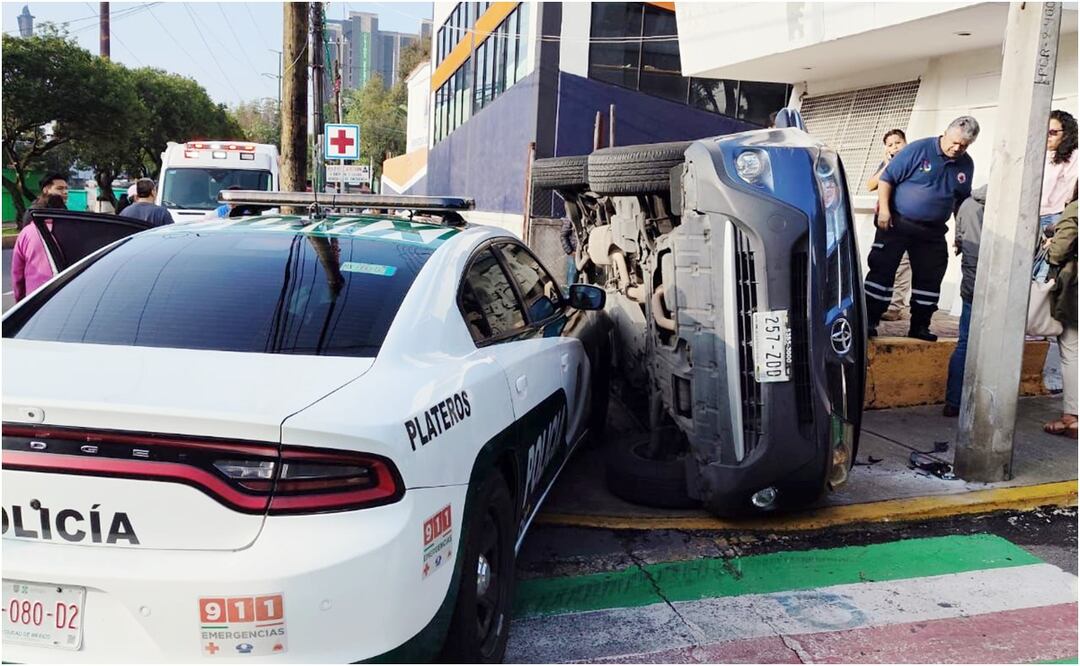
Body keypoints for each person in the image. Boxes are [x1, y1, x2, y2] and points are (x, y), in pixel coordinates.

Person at [864, 116, 979, 342]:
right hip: (897, 222)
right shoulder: (918, 149)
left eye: (964, 146)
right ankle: (869, 320)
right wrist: (884, 210)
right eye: (954, 142)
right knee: (881, 271)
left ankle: (920, 325)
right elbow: (887, 179)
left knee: (930, 277)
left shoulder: (966, 164)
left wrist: (960, 234)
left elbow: (961, 202)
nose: (957, 148)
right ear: (945, 133)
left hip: (932, 231)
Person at [943, 185, 987, 417]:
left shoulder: (967, 205)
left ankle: (953, 402)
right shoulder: (1007, 209)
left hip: (969, 282)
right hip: (994, 285)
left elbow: (959, 241)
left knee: (965, 342)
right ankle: (981, 402)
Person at [866, 129, 911, 321]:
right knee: (882, 262)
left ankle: (895, 307)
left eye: (898, 143)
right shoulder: (888, 164)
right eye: (890, 145)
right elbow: (871, 185)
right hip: (887, 221)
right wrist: (887, 164)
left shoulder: (914, 160)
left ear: (906, 142)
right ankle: (876, 306)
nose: (894, 147)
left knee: (904, 264)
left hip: (907, 220)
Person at [1043, 188, 1077, 438]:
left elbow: (1059, 251)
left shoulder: (1076, 209)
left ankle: (1072, 417)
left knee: (1071, 351)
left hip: (1074, 288)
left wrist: (1050, 247)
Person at [1034, 110, 1079, 280]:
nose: (1048, 136)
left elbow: (1072, 190)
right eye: (1045, 131)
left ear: (1066, 134)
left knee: (1044, 272)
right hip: (1034, 217)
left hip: (1055, 217)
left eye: (1053, 132)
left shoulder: (1073, 156)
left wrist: (1060, 226)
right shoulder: (1040, 153)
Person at [11, 194, 64, 302]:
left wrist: (20, 301)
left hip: (35, 300)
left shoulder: (26, 233)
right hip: (66, 295)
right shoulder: (70, 231)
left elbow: (17, 273)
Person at [560, 217, 577, 287]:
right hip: (574, 254)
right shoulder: (571, 217)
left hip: (587, 254)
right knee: (572, 279)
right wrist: (570, 252)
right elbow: (563, 236)